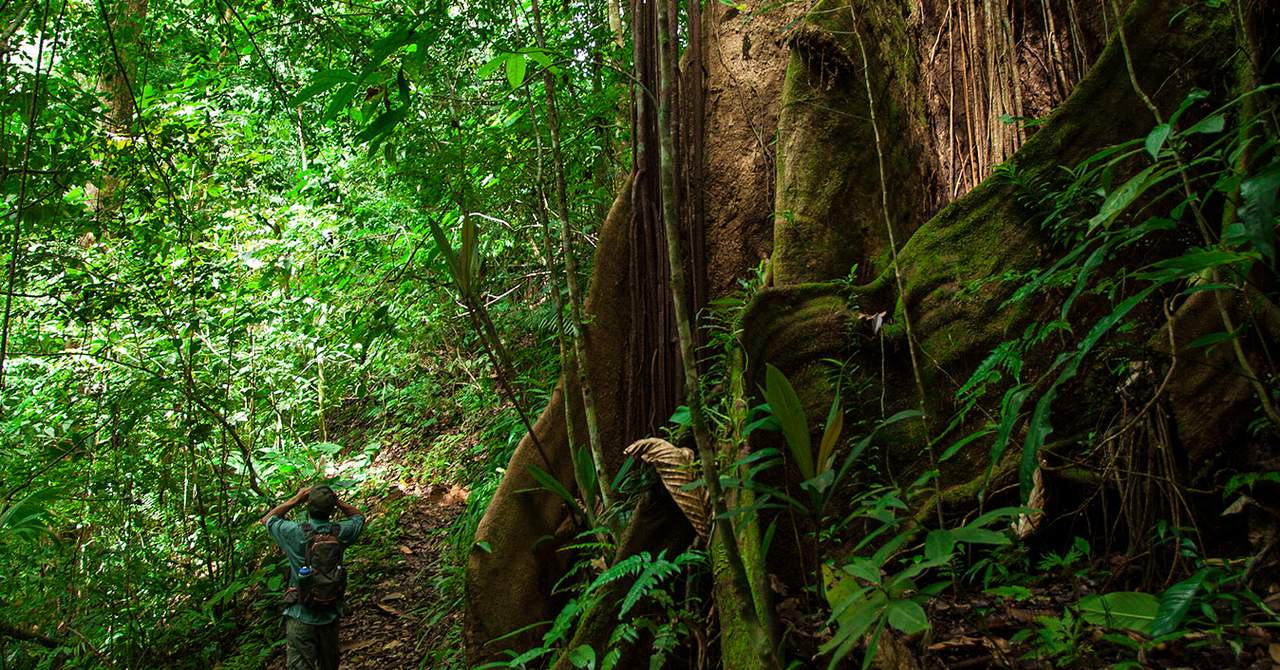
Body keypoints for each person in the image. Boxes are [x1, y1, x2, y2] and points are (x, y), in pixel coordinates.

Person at [261, 485, 365, 670]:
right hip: (330, 613)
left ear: (307, 506)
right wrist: (337, 501)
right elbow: (358, 517)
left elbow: (268, 519)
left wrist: (296, 498)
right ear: (331, 510)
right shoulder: (340, 532)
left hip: (300, 613)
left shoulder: (295, 533)